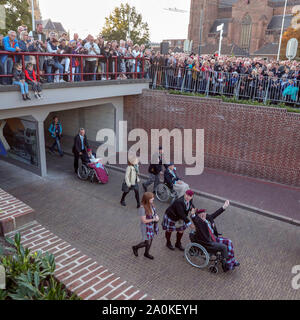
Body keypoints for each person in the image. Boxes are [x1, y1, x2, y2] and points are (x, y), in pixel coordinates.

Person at [190, 200, 239, 272]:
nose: (203, 215)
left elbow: (216, 214)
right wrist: (193, 214)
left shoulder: (207, 218)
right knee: (224, 247)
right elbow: (194, 219)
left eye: (204, 213)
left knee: (229, 242)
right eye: (201, 214)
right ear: (198, 217)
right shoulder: (200, 223)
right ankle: (225, 264)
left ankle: (232, 261)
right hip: (209, 243)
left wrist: (224, 207)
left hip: (214, 238)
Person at [132, 192, 159, 260]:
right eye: (151, 199)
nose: (153, 200)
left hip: (150, 226)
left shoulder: (151, 204)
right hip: (145, 227)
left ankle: (146, 253)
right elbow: (144, 221)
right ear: (147, 199)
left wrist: (156, 216)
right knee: (147, 242)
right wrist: (154, 219)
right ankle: (135, 247)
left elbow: (154, 213)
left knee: (150, 239)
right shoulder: (142, 208)